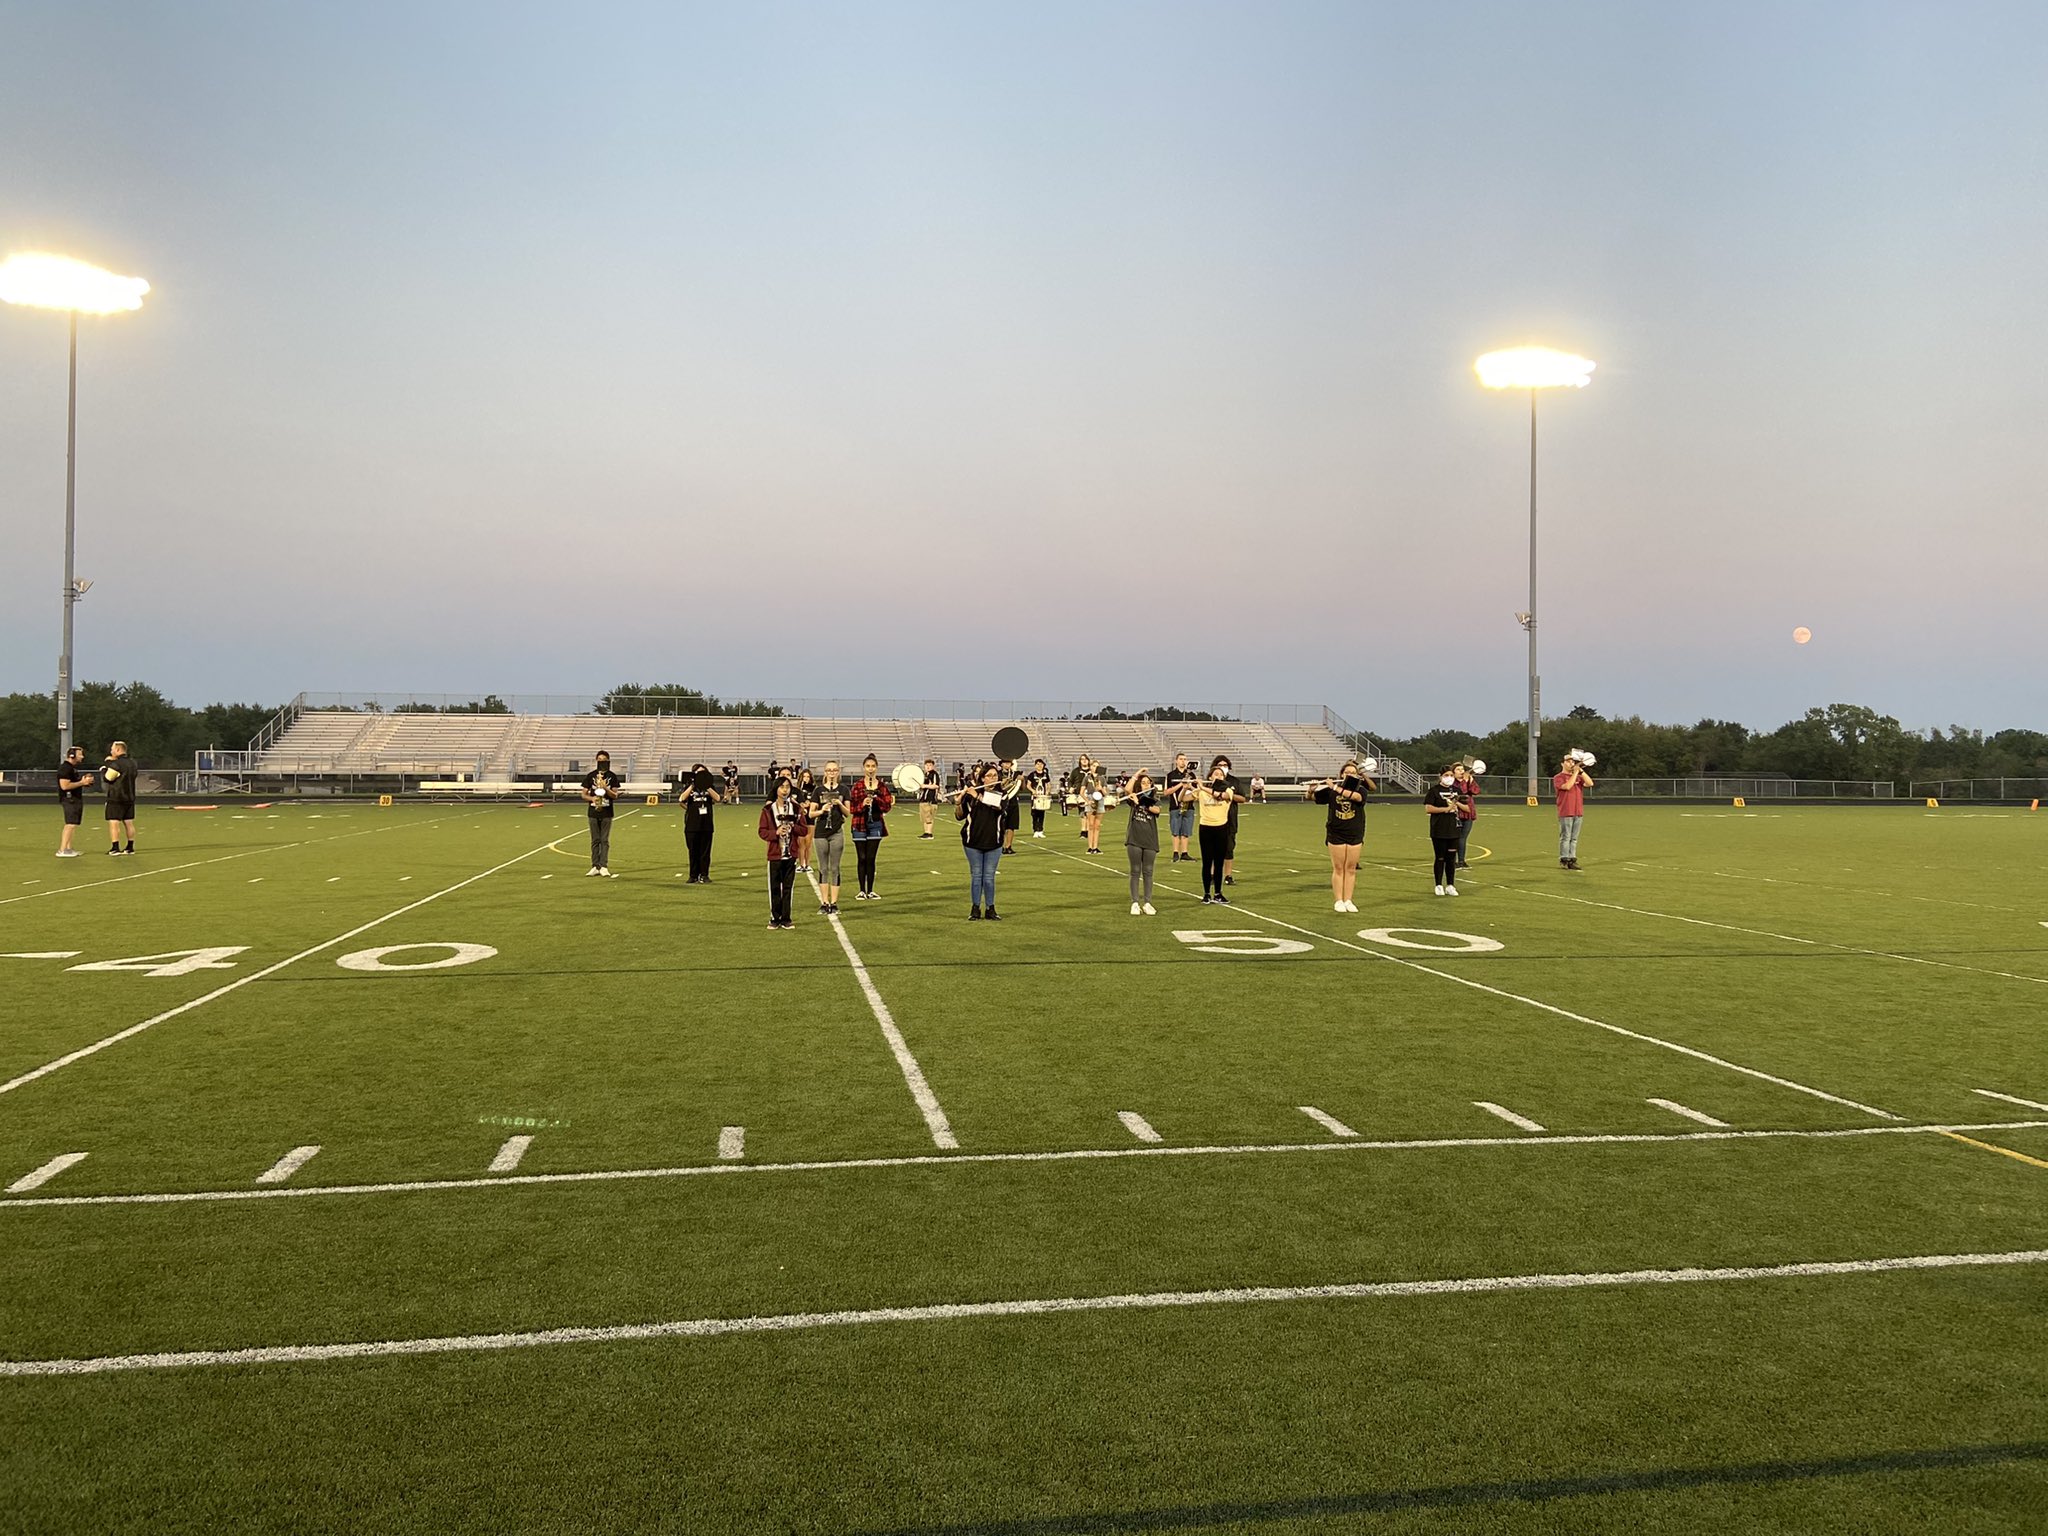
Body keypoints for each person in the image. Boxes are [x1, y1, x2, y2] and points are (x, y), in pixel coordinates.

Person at [1309, 761, 1370, 912]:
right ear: (1342, 774)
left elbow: (1357, 798)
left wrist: (1335, 787)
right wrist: (1311, 791)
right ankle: (1338, 901)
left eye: (1352, 772)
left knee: (1350, 868)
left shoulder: (1361, 789)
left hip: (1355, 832)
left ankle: (1348, 900)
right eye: (1346, 772)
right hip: (1336, 832)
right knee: (1338, 868)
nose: (1349, 775)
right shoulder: (1331, 790)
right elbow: (1315, 799)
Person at [956, 763, 1007, 919]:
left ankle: (990, 908)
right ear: (982, 778)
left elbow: (997, 806)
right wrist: (959, 801)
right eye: (989, 776)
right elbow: (959, 816)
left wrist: (976, 795)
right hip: (973, 842)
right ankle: (975, 908)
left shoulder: (1002, 794)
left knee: (989, 878)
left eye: (994, 775)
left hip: (994, 842)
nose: (992, 778)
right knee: (977, 876)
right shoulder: (972, 794)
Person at [757, 776, 807, 929]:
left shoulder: (797, 808)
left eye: (787, 787)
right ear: (776, 789)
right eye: (782, 787)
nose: (785, 790)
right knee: (774, 887)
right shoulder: (768, 809)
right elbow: (762, 831)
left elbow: (804, 830)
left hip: (790, 853)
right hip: (775, 854)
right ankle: (774, 918)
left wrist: (793, 828)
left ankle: (786, 918)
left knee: (787, 887)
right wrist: (776, 832)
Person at [1195, 757, 1245, 903]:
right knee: (1206, 862)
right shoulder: (1202, 791)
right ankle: (1206, 893)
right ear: (1210, 776)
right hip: (1205, 828)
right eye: (1215, 774)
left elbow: (1220, 796)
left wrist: (1202, 787)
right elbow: (1182, 798)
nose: (1218, 776)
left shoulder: (1228, 790)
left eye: (1221, 774)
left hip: (1222, 828)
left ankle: (1218, 893)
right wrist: (1186, 788)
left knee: (1218, 862)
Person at [847, 754, 894, 900]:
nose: (870, 769)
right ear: (864, 768)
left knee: (871, 858)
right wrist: (863, 804)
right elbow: (852, 808)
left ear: (877, 768)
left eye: (873, 766)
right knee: (861, 857)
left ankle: (871, 890)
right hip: (859, 824)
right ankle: (861, 890)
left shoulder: (881, 786)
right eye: (868, 766)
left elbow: (887, 806)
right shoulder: (858, 786)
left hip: (875, 823)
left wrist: (876, 799)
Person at [1122, 771, 1163, 915]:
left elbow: (1156, 810)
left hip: (1150, 839)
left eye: (1148, 782)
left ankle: (1147, 902)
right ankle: (1134, 902)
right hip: (1134, 838)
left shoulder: (1154, 799)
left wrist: (1140, 803)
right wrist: (1137, 774)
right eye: (1143, 782)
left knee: (1148, 871)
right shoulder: (1133, 797)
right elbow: (1127, 789)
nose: (1146, 784)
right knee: (1135, 871)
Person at [810, 760, 849, 914]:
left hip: (836, 831)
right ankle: (824, 902)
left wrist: (839, 803)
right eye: (829, 770)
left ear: (838, 772)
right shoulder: (818, 790)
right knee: (823, 867)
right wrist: (822, 810)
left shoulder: (844, 789)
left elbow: (848, 812)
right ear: (825, 772)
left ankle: (834, 903)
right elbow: (811, 814)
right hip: (820, 832)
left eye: (834, 770)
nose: (831, 773)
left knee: (835, 867)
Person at [580, 750, 623, 876]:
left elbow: (615, 795)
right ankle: (594, 865)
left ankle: (603, 865)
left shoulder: (612, 776)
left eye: (604, 760)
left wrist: (605, 787)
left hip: (607, 811)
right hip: (593, 811)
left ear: (608, 761)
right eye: (599, 760)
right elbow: (583, 794)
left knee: (604, 840)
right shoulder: (591, 775)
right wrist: (592, 799)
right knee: (595, 840)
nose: (601, 762)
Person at [679, 763, 721, 883]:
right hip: (692, 824)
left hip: (706, 824)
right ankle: (693, 875)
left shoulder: (710, 786)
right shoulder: (689, 786)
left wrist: (706, 785)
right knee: (693, 851)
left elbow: (717, 798)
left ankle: (704, 874)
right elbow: (682, 798)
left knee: (705, 852)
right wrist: (693, 785)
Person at [1426, 765, 1463, 895]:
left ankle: (1451, 885)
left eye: (1451, 775)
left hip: (1454, 829)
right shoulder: (1434, 791)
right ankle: (1438, 885)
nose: (1449, 778)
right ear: (1440, 776)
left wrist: (1457, 804)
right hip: (1439, 829)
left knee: (1451, 859)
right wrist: (1445, 809)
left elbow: (1467, 807)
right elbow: (1428, 808)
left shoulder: (1457, 790)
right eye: (1446, 775)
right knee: (1440, 858)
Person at [1554, 753, 1594, 869]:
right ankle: (1564, 859)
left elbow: (1590, 783)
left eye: (1572, 762)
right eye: (1568, 761)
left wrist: (1581, 771)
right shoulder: (1558, 777)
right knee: (1566, 837)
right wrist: (1575, 772)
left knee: (1574, 838)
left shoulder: (1578, 776)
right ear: (1562, 764)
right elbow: (1567, 786)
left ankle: (1572, 859)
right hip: (1566, 811)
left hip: (1578, 811)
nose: (1571, 763)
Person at [100, 740, 137, 855]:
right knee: (129, 822)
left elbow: (108, 778)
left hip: (116, 797)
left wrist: (104, 768)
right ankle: (130, 847)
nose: (111, 751)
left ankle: (115, 847)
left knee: (114, 822)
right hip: (130, 796)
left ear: (118, 750)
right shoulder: (133, 763)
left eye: (112, 749)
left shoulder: (116, 765)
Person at [55, 746, 93, 857]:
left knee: (73, 824)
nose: (82, 756)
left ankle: (68, 848)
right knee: (70, 824)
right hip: (69, 799)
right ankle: (62, 850)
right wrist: (82, 783)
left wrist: (85, 782)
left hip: (73, 798)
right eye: (80, 754)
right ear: (72, 755)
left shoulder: (71, 768)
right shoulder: (65, 768)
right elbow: (64, 786)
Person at [1166, 753, 1197, 862]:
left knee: (1186, 831)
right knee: (1175, 831)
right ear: (1176, 761)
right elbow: (1167, 792)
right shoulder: (1171, 775)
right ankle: (1175, 853)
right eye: (1181, 759)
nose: (1183, 761)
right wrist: (1181, 784)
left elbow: (1196, 791)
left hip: (1189, 806)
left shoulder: (1192, 775)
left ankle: (1184, 853)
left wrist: (1190, 785)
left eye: (1185, 759)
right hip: (1175, 806)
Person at [1453, 762, 1480, 869]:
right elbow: (1462, 792)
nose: (1461, 771)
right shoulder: (1453, 783)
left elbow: (1476, 791)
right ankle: (1453, 861)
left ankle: (1461, 861)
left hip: (1468, 812)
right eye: (1458, 770)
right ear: (1453, 772)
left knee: (1463, 838)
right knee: (1455, 837)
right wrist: (1465, 780)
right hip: (1456, 812)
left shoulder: (1468, 780)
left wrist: (1471, 781)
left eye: (1462, 769)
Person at [793, 767, 817, 873]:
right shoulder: (797, 790)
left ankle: (807, 864)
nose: (806, 778)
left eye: (808, 776)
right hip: (800, 817)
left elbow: (816, 802)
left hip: (810, 817)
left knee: (808, 841)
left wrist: (809, 804)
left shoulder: (814, 789)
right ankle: (801, 864)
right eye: (804, 776)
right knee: (800, 842)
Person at [999, 758, 1022, 853]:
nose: (1007, 765)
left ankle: (1008, 846)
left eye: (1009, 763)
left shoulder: (1015, 774)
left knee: (1011, 825)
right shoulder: (998, 774)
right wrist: (1004, 782)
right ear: (1001, 764)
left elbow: (1022, 788)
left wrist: (1022, 780)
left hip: (1013, 801)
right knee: (1001, 825)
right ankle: (999, 846)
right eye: (1005, 763)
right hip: (1001, 801)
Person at [1026, 758, 1052, 838]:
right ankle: (1035, 830)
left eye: (1041, 764)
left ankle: (1040, 830)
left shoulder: (1045, 775)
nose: (1039, 766)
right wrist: (1032, 791)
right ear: (1035, 765)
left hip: (1043, 797)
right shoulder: (1032, 774)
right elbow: (1028, 785)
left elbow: (1048, 784)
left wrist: (1048, 791)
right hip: (1035, 797)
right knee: (1034, 814)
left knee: (1042, 814)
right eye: (1038, 764)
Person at [917, 758, 940, 838]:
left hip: (930, 799)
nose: (928, 767)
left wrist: (925, 786)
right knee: (924, 817)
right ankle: (926, 832)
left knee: (929, 817)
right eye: (927, 765)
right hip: (924, 798)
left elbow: (936, 785)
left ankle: (929, 833)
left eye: (930, 765)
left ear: (933, 766)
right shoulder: (924, 775)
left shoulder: (934, 774)